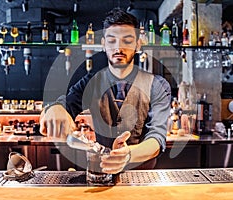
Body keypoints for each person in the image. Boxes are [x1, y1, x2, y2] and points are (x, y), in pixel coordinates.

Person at [39, 8, 171, 174]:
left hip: (142, 175)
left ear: (138, 44)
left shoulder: (158, 85)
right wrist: (55, 108)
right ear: (103, 45)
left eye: (127, 41)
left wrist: (128, 155)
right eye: (112, 40)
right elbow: (67, 103)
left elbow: (157, 138)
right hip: (102, 173)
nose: (118, 48)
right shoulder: (91, 83)